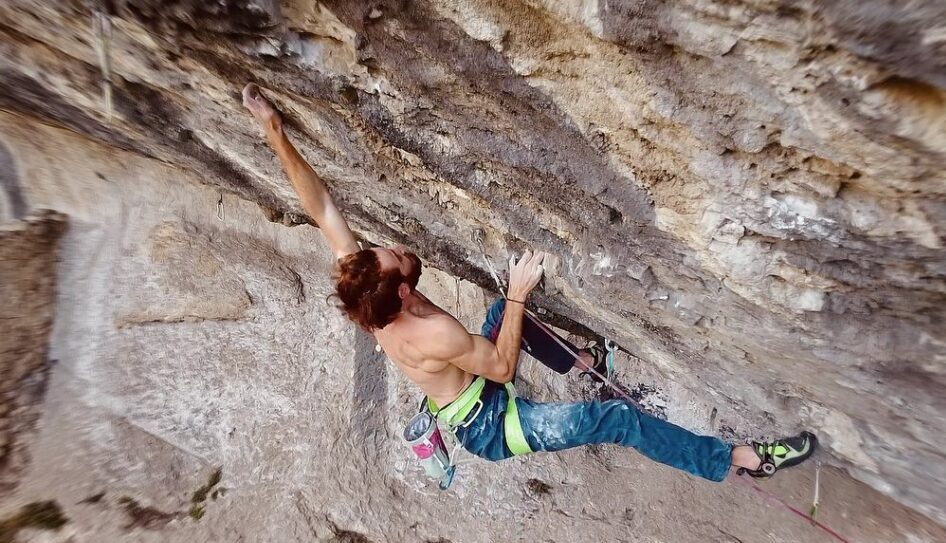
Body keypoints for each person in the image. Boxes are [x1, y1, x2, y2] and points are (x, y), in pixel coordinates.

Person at [241, 83, 816, 482]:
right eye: (395, 259)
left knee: (505, 317)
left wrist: (273, 131)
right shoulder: (428, 334)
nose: (392, 248)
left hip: (466, 384)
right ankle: (736, 458)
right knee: (614, 420)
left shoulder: (366, 283)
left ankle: (588, 363)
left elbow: (320, 207)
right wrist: (518, 293)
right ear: (404, 293)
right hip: (491, 423)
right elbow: (502, 368)